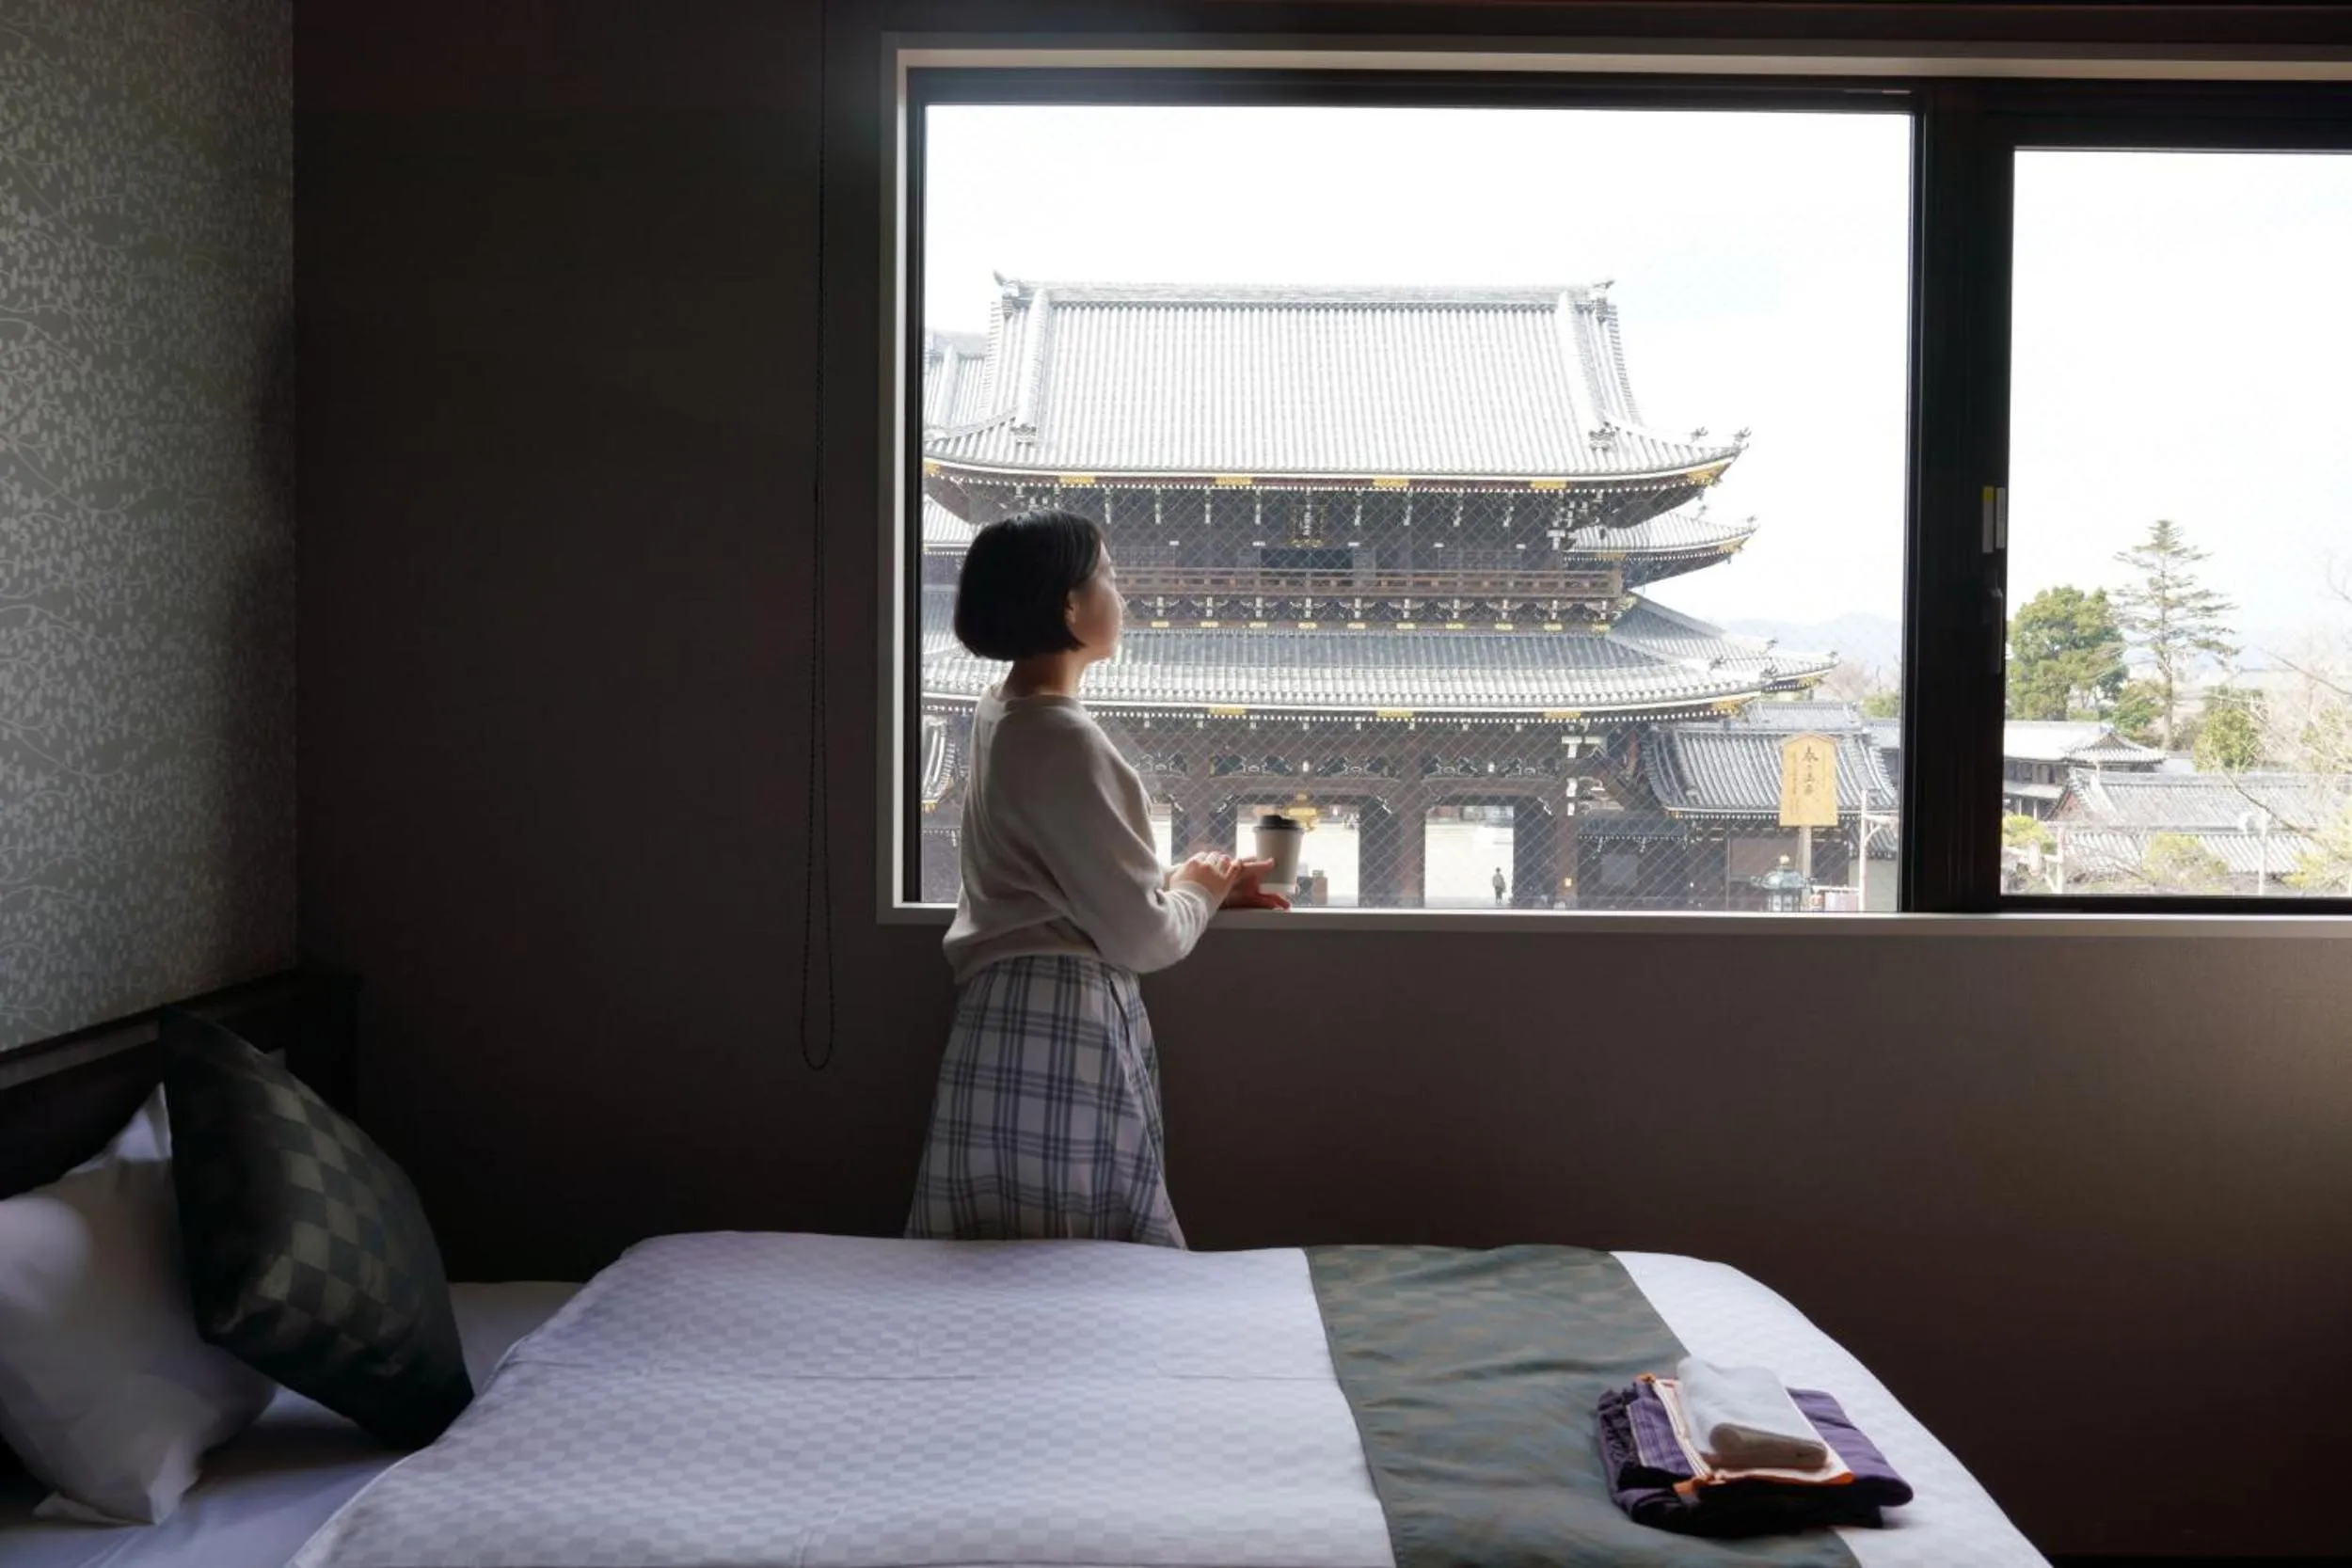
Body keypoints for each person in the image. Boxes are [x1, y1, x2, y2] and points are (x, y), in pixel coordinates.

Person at [907, 509, 1288, 1248]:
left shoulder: (999, 713)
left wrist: (1191, 883)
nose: (1123, 592)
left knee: (987, 1263)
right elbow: (1144, 937)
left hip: (994, 1018)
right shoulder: (1066, 737)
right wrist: (1197, 893)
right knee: (1080, 1261)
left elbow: (1059, 878)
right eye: (1108, 576)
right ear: (1069, 606)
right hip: (1066, 1024)